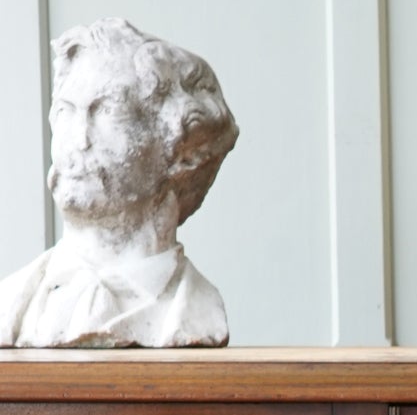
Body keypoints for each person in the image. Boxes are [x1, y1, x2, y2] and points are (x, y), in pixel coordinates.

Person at [0, 18, 239, 348]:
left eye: (108, 111)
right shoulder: (10, 303)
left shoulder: (198, 314)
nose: (76, 140)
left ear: (182, 151)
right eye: (65, 112)